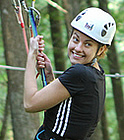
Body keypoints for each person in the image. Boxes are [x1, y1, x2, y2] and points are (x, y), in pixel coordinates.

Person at [24, 7, 116, 140]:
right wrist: (50, 77)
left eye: (88, 44)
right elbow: (67, 112)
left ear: (101, 50)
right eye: (76, 39)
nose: (78, 48)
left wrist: (31, 56)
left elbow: (30, 103)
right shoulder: (97, 73)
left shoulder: (80, 74)